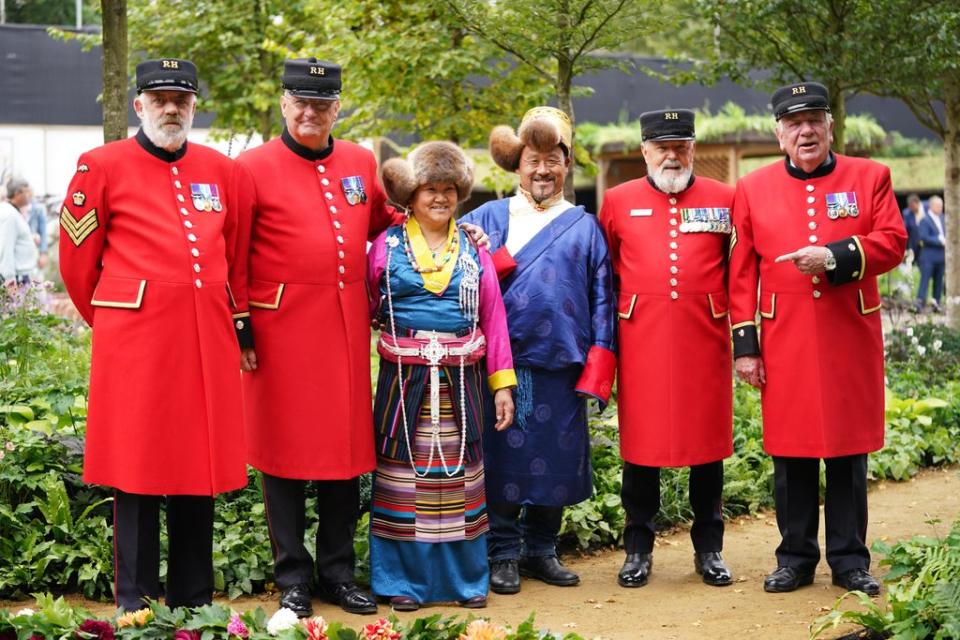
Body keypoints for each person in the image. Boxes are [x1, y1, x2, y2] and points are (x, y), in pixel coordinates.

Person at [231, 58, 486, 617]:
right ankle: (293, 579)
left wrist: (451, 230)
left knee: (346, 460)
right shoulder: (250, 167)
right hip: (280, 336)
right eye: (300, 102)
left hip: (344, 335)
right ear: (282, 103)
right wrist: (242, 324)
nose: (309, 112)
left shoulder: (357, 161)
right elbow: (234, 253)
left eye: (321, 104)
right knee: (285, 460)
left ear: (336, 108)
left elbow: (388, 225)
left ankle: (338, 574)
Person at [58, 59, 247, 611]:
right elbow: (77, 264)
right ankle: (134, 600)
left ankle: (192, 599)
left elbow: (231, 254)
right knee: (136, 469)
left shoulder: (221, 171)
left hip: (203, 343)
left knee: (197, 466)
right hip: (136, 344)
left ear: (193, 107)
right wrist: (118, 322)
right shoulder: (100, 166)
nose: (172, 108)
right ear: (138, 105)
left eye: (182, 100)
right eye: (160, 98)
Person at [729, 82, 906, 596]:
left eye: (814, 119)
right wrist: (746, 346)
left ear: (830, 126)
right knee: (792, 452)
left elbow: (892, 241)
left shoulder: (870, 176)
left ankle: (851, 561)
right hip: (784, 340)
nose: (805, 130)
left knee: (849, 454)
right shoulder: (752, 188)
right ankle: (795, 558)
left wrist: (835, 257)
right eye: (793, 122)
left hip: (849, 336)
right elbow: (741, 274)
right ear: (778, 133)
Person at [461, 107, 616, 595]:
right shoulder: (485, 218)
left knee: (558, 461)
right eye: (533, 158)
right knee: (503, 461)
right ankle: (502, 552)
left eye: (553, 158)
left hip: (562, 364)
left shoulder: (584, 226)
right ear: (517, 163)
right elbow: (447, 267)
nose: (543, 169)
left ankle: (542, 549)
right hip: (500, 366)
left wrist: (599, 366)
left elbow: (602, 299)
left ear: (567, 164)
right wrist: (480, 254)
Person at [366, 141, 516, 611]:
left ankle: (466, 582)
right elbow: (366, 309)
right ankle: (402, 583)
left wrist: (503, 385)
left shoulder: (473, 248)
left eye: (448, 189)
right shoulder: (382, 249)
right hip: (403, 382)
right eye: (429, 188)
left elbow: (493, 317)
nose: (440, 198)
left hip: (461, 380)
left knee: (459, 482)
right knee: (404, 480)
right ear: (410, 196)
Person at [598, 109, 734, 589]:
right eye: (662, 147)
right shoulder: (616, 201)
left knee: (707, 449)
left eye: (681, 146)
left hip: (705, 339)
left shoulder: (725, 198)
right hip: (642, 341)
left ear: (694, 148)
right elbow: (607, 273)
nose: (672, 155)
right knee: (640, 450)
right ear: (644, 152)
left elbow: (737, 272)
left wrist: (743, 339)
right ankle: (637, 549)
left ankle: (710, 550)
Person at [1, 178, 39, 287]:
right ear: (18, 194)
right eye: (27, 192)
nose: (30, 195)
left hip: (21, 276)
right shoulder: (10, 215)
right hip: (16, 279)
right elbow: (6, 249)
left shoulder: (13, 211)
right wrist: (10, 281)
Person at [915, 194, 945, 312]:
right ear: (932, 206)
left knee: (938, 282)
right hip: (928, 257)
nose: (941, 208)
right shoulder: (925, 220)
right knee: (925, 281)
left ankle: (936, 304)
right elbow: (923, 237)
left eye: (941, 205)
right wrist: (939, 240)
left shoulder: (943, 218)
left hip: (941, 257)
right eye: (938, 205)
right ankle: (919, 305)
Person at [901, 193, 925, 266]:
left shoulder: (927, 207)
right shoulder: (907, 213)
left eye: (913, 207)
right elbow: (905, 229)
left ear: (918, 203)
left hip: (927, 244)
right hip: (914, 244)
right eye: (910, 207)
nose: (912, 209)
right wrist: (908, 247)